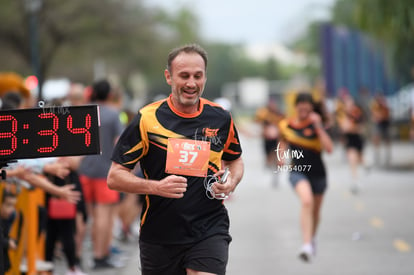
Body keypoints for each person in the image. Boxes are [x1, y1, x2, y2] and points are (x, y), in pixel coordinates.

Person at [107, 44, 244, 275]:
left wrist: (231, 181)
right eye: (184, 76)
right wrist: (156, 187)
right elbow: (114, 177)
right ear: (169, 77)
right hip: (160, 234)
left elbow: (235, 160)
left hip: (209, 227)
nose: (191, 83)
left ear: (205, 77)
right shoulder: (146, 119)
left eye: (198, 76)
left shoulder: (220, 118)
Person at [278, 93, 333, 262]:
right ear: (295, 107)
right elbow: (283, 142)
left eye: (306, 104)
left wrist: (318, 126)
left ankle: (312, 238)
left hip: (318, 173)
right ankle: (306, 245)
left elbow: (329, 149)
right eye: (300, 104)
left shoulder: (317, 124)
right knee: (307, 201)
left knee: (315, 211)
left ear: (311, 106)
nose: (303, 107)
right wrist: (281, 156)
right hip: (298, 170)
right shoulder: (286, 125)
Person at [77, 79, 124, 269]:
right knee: (103, 216)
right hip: (105, 172)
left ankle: (76, 256)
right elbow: (119, 143)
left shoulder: (82, 112)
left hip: (83, 170)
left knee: (81, 216)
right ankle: (99, 256)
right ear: (110, 95)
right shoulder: (114, 115)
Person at [338, 94, 366, 194]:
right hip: (349, 141)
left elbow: (360, 128)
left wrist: (351, 128)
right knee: (352, 160)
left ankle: (366, 166)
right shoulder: (343, 114)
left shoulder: (357, 113)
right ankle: (355, 180)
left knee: (360, 159)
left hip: (357, 139)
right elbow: (343, 128)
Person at [370, 94, 391, 167]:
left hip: (384, 124)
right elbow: (374, 116)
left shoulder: (385, 107)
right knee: (376, 138)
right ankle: (377, 155)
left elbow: (386, 116)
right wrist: (378, 116)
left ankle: (387, 155)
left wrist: (380, 116)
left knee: (386, 139)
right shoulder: (375, 106)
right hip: (378, 124)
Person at [1, 190, 18, 273]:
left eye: (13, 206)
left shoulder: (10, 217)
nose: (11, 210)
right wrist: (8, 243)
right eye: (8, 205)